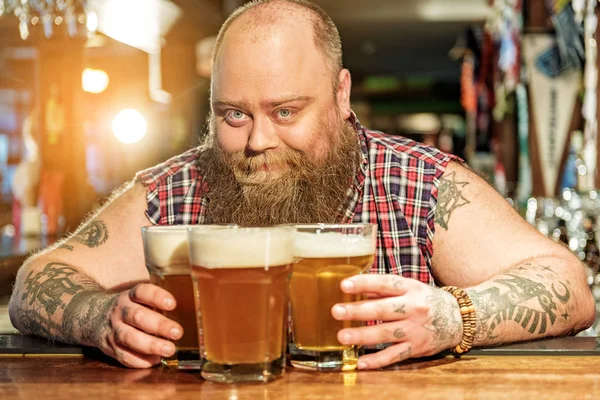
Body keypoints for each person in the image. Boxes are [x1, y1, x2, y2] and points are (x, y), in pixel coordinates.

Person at [9, 0, 594, 370]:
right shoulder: (180, 186)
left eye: (285, 111)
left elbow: (567, 283)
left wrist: (451, 316)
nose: (258, 140)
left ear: (341, 96)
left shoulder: (414, 182)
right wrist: (100, 317)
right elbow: (35, 282)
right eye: (233, 115)